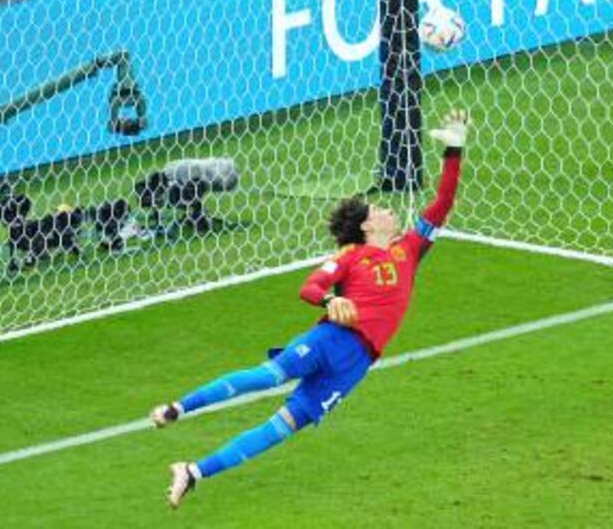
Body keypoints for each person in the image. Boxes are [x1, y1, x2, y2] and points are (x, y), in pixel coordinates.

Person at [149, 110, 470, 509]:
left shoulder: (410, 249)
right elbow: (310, 287)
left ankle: (193, 472)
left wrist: (454, 147)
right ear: (368, 227)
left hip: (357, 362)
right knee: (267, 377)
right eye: (379, 209)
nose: (388, 211)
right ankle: (177, 408)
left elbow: (443, 202)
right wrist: (332, 299)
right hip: (333, 338)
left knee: (281, 427)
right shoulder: (351, 256)